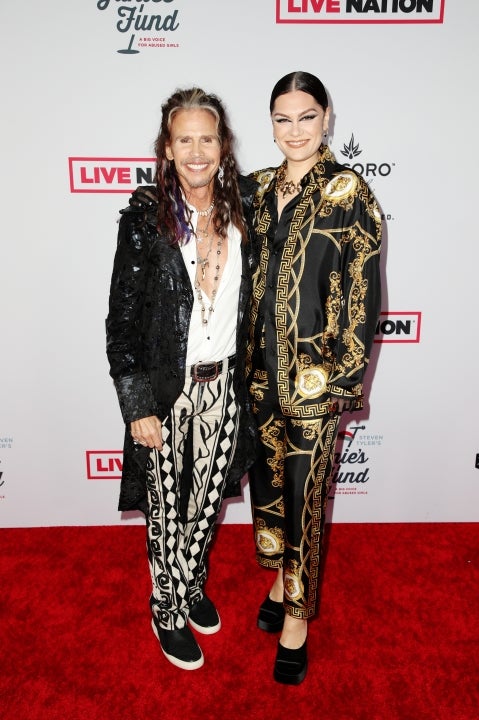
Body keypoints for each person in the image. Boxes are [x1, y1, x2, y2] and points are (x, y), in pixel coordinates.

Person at [106, 87, 257, 671]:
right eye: (184, 139)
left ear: (223, 146)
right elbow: (122, 322)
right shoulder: (146, 220)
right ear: (167, 149)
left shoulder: (246, 213)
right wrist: (136, 404)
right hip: (167, 392)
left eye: (207, 139)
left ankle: (190, 585)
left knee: (204, 503)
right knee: (166, 511)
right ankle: (165, 606)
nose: (197, 152)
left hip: (225, 389)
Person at [246, 71, 382, 685]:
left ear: (326, 118)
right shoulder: (255, 189)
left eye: (306, 117)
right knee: (271, 491)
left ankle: (297, 620)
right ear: (271, 124)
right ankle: (281, 581)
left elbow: (363, 297)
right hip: (256, 375)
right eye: (283, 119)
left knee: (303, 501)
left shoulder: (350, 193)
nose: (295, 130)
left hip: (314, 381)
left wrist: (341, 381)